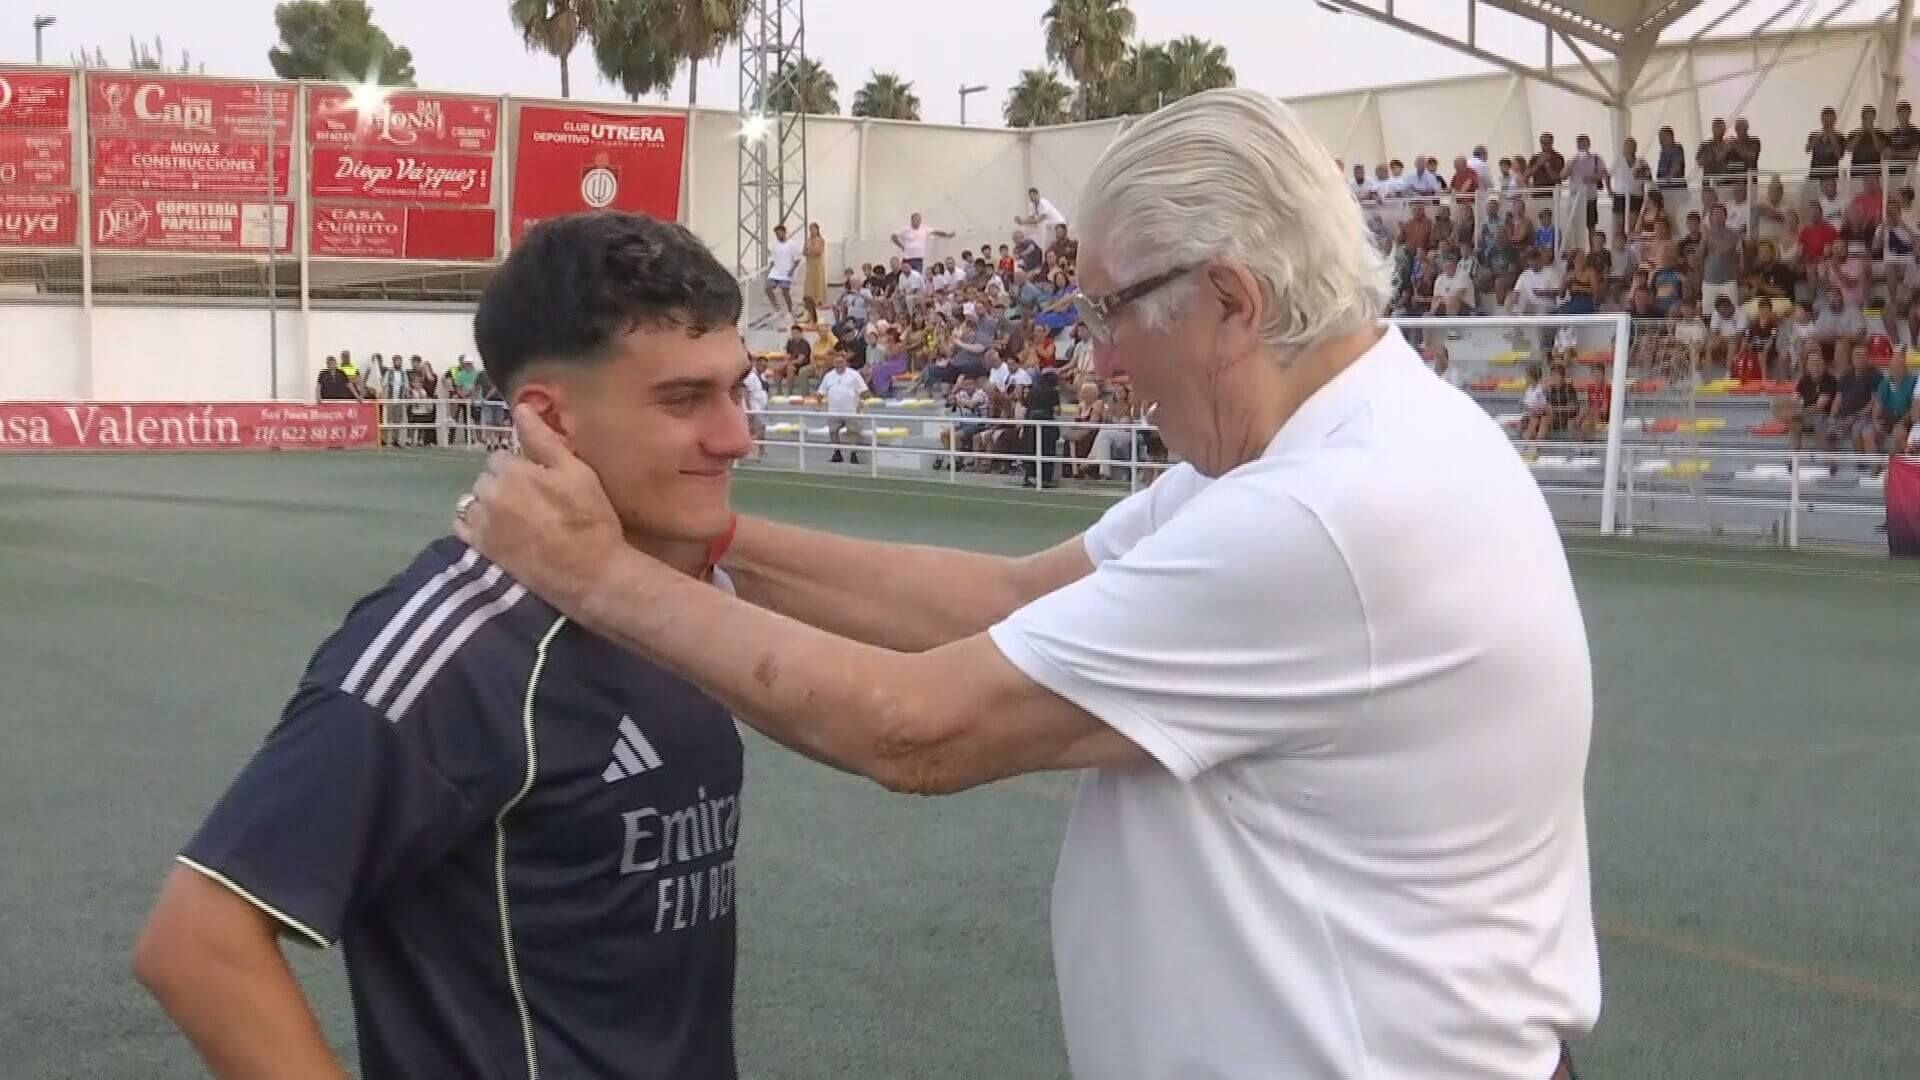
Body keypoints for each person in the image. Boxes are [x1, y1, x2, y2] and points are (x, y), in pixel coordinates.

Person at [456, 88, 1599, 1080]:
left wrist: (595, 571)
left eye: (1111, 311)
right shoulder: (1313, 451)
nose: (1098, 357)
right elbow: (1008, 601)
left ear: (1235, 303)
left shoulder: (1326, 514)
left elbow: (915, 730)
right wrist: (705, 538)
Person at [131, 211, 756, 1080]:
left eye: (738, 388)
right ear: (550, 421)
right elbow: (198, 943)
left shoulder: (687, 602)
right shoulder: (460, 642)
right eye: (685, 399)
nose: (736, 436)